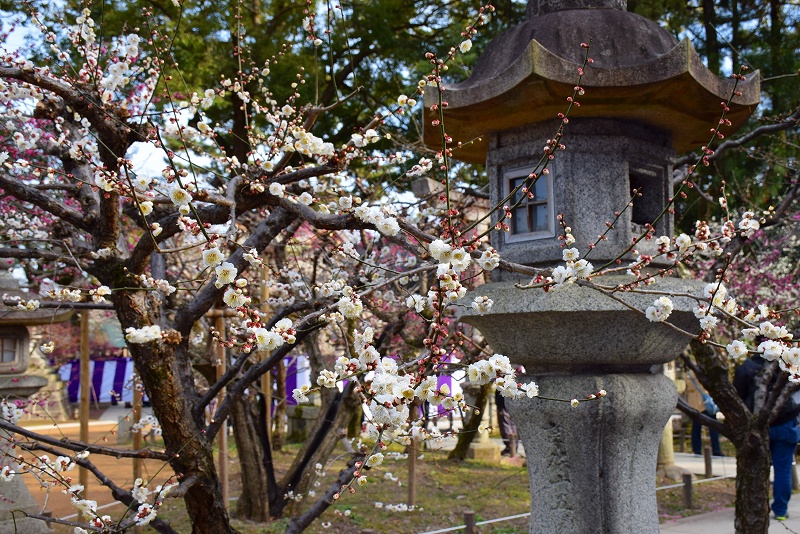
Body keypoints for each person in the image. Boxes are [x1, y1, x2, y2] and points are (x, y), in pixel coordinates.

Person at [734, 350, 800, 521]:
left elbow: (738, 396)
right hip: (786, 422)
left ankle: (753, 508)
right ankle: (780, 510)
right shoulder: (788, 363)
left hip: (757, 425)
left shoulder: (747, 367)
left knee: (754, 468)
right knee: (783, 470)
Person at [684, 370, 723, 457]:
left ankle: (697, 450)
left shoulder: (689, 374)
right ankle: (716, 450)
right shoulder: (706, 370)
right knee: (713, 427)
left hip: (695, 404)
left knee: (696, 428)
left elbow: (686, 388)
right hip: (707, 402)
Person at [495, 388, 518, 457]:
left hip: (503, 402)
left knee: (506, 424)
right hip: (511, 400)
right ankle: (513, 447)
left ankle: (509, 447)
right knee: (512, 424)